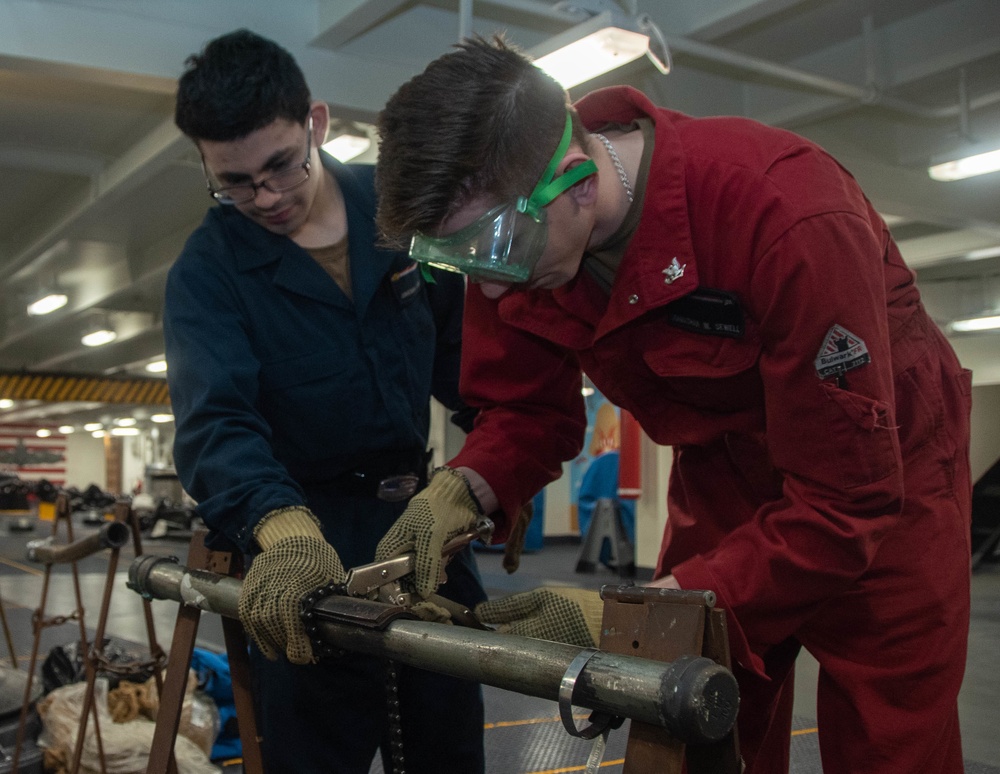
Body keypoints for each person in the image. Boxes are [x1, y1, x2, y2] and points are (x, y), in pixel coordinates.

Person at [371, 35, 973, 774]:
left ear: (576, 180)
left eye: (491, 248)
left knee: (893, 745)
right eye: (456, 260)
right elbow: (526, 411)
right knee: (690, 729)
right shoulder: (514, 241)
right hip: (723, 474)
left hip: (885, 483)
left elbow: (846, 502)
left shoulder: (786, 213)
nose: (487, 289)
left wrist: (622, 615)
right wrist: (462, 489)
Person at [163, 29, 485, 774]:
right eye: (234, 183)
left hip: (423, 533)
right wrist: (283, 531)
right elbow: (217, 425)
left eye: (279, 165)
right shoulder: (207, 275)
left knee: (450, 749)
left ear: (318, 122)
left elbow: (470, 362)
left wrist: (493, 470)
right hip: (303, 554)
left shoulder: (402, 210)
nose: (265, 196)